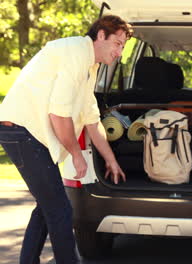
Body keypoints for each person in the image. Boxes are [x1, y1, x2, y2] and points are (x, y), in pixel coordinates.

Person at [0, 15, 131, 264]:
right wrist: (76, 154)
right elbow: (59, 114)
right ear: (101, 35)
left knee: (46, 207)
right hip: (22, 131)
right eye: (117, 43)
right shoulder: (74, 53)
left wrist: (111, 160)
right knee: (60, 210)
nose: (119, 52)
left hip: (28, 134)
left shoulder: (89, 66)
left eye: (123, 46)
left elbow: (92, 120)